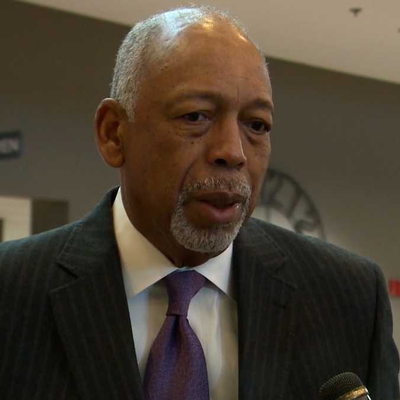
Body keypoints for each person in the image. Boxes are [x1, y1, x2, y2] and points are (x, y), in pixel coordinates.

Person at [0, 5, 398, 400]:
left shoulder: (349, 296)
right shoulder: (12, 292)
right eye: (195, 116)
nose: (233, 152)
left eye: (256, 125)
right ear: (114, 133)